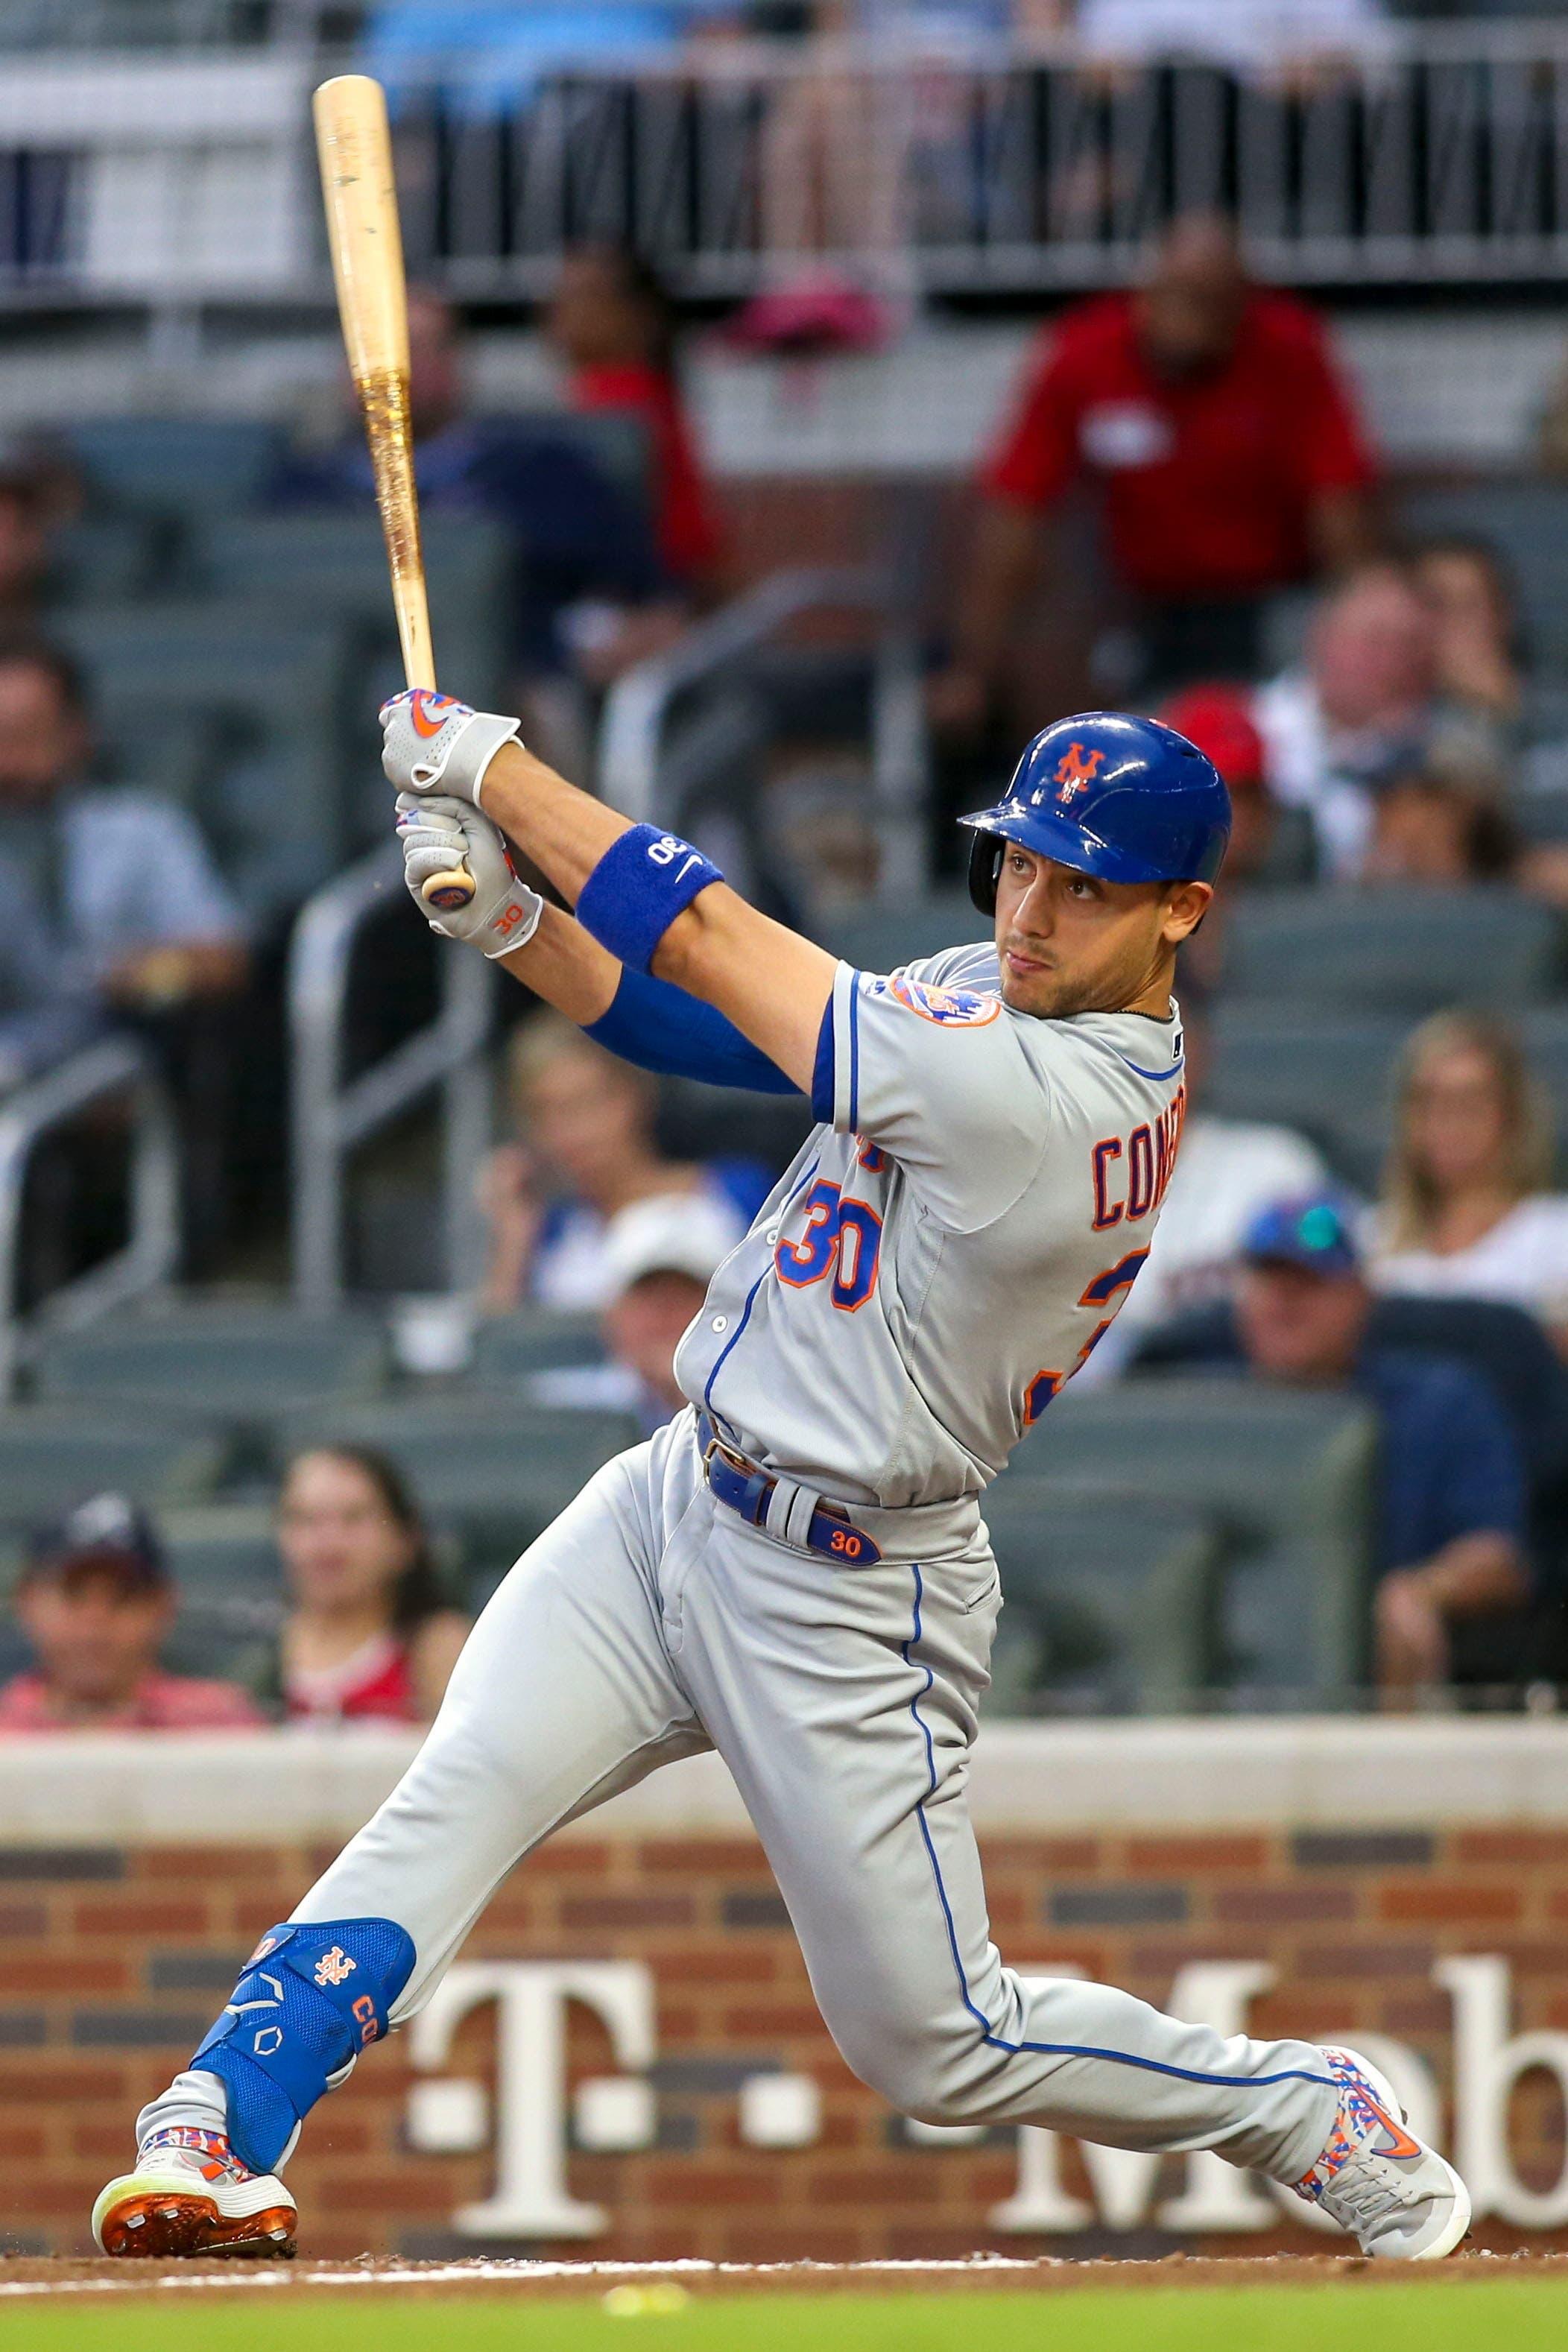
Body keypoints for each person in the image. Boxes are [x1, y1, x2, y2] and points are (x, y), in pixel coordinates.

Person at [94, 704, 1470, 2266]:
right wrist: (514, 922)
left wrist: (497, 774)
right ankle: (214, 2124)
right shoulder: (991, 991)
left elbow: (705, 936)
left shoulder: (1057, 1106)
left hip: (850, 1584)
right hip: (679, 1493)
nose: (1028, 912)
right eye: (1017, 867)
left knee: (933, 2043)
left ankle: (1303, 2111)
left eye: (1082, 888)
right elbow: (702, 1023)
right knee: (454, 1793)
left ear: (1179, 913)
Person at [932, 215, 1376, 732]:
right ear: (1146, 291)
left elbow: (1341, 506)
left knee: (1291, 723)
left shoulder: (1289, 347)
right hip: (1147, 604)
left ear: (1242, 305)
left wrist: (1357, 628)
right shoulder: (1086, 353)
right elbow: (1015, 516)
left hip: (1274, 594)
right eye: (1180, 296)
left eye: (1212, 302)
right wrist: (973, 667)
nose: (1192, 318)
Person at [271, 287, 673, 696]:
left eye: (418, 347)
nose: (394, 367)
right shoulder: (301, 491)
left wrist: (601, 651)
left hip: (505, 707)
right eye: (373, 348)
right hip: (335, 706)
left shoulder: (543, 474)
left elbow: (661, 614)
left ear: (456, 361)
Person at [1230, 1195, 1531, 1706]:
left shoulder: (1439, 1400)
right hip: (1227, 1664)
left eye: (1308, 1284)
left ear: (1359, 1297)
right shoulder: (1195, 1406)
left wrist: (1421, 1590)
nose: (1284, 1302)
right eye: (1268, 1282)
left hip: (1383, 1673)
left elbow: (1501, 1559)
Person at [1072, 1005, 1328, 1384]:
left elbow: (1334, 1294)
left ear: (1201, 1049)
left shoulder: (1275, 1164)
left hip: (1237, 1390)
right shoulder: (1054, 1186)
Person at [0, 636, 247, 1019]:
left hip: (119, 1044)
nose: (9, 759)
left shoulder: (142, 828)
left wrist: (142, 975)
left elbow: (223, 962)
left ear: (75, 731)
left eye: (26, 733)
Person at [478, 1014, 771, 1313]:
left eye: (588, 1102)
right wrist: (514, 1235)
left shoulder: (733, 1193)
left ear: (637, 1094)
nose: (570, 1132)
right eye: (545, 1113)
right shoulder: (551, 1232)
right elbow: (497, 1345)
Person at [1368, 1013, 1568, 1349]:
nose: (1447, 1121)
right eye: (1428, 1101)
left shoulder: (1556, 1235)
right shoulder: (1372, 1238)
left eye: (1470, 1102)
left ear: (1512, 1115)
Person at [547, 245, 725, 601]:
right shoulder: (623, 391)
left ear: (641, 315)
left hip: (641, 595)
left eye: (587, 296)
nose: (561, 311)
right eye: (559, 295)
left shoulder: (624, 398)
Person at [0, 1495, 262, 1734]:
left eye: (123, 1596)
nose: (96, 1618)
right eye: (74, 1594)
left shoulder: (218, 1726)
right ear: (27, 1601)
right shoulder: (7, 1728)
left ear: (163, 1605)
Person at [248, 1447, 470, 1727]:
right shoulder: (256, 1657)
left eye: (353, 1519)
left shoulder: (437, 1649)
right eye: (306, 1520)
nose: (328, 1544)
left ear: (405, 1539)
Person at [1252, 564, 1440, 880]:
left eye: (1410, 646)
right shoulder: (1249, 727)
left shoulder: (1437, 751)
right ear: (1322, 636)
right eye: (1377, 640)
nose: (1394, 662)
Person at [528, 1189, 743, 1432]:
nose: (665, 1313)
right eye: (647, 1294)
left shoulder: (762, 1414)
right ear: (612, 1314)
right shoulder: (559, 1411)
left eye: (686, 1294)